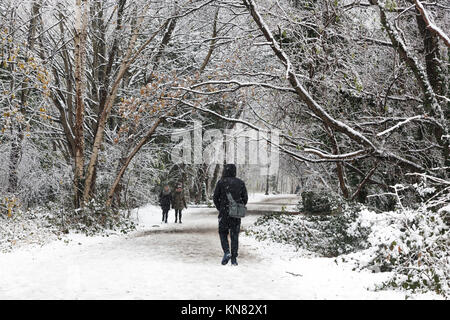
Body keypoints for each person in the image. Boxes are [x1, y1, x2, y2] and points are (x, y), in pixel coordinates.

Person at [213, 164, 248, 266]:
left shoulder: (221, 182)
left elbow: (215, 198)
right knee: (234, 235)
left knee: (222, 233)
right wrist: (237, 207)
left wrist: (221, 208)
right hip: (235, 214)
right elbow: (245, 198)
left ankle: (226, 252)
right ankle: (234, 258)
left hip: (224, 213)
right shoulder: (240, 183)